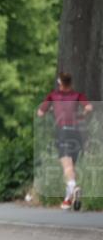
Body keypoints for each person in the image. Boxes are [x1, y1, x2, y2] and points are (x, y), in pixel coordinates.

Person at [37, 71, 93, 209]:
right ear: (71, 83)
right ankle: (67, 200)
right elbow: (89, 107)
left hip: (63, 132)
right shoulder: (77, 95)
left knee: (67, 167)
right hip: (76, 133)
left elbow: (40, 113)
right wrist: (81, 115)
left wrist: (51, 111)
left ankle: (75, 189)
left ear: (60, 83)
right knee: (70, 168)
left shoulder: (53, 95)